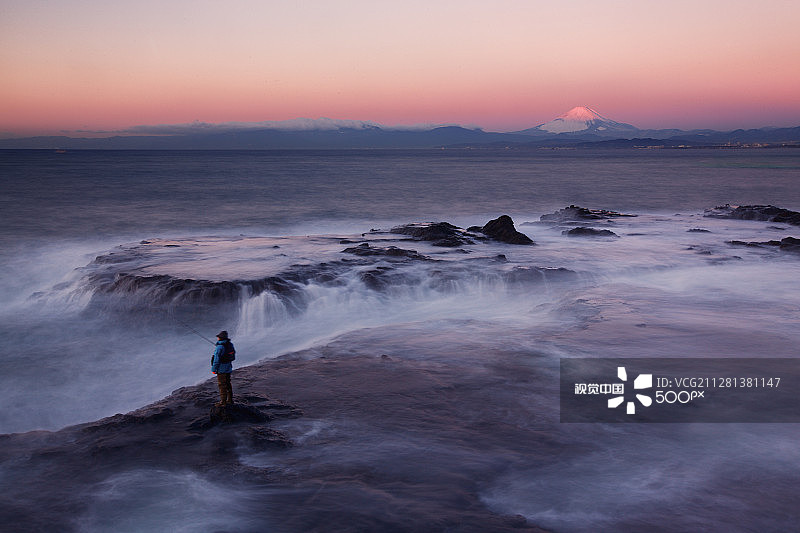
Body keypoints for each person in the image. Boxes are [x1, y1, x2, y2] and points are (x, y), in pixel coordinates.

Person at [211, 330, 235, 406]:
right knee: (228, 384)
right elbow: (232, 356)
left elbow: (216, 360)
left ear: (220, 338)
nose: (217, 338)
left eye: (218, 337)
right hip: (228, 368)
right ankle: (230, 400)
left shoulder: (220, 347)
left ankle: (223, 402)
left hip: (221, 370)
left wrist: (214, 370)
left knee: (222, 385)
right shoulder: (230, 344)